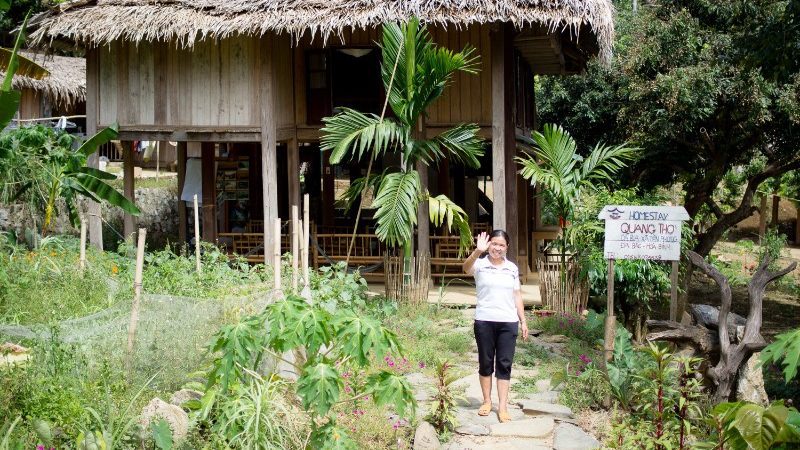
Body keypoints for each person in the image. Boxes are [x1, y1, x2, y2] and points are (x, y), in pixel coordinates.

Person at [462, 230, 528, 423]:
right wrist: (477, 251)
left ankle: (503, 407)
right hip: (484, 320)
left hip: (508, 322)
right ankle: (487, 401)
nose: (497, 248)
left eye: (501, 245)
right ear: (488, 245)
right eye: (494, 244)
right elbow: (465, 268)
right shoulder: (480, 264)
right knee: (485, 362)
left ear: (507, 247)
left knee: (504, 364)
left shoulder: (512, 268)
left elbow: (517, 295)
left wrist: (523, 320)